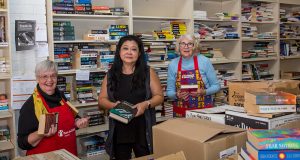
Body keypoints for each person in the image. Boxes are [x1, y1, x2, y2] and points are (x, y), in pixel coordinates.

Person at [98, 35, 164, 160]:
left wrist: (146, 104)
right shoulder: (111, 74)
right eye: (125, 48)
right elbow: (101, 100)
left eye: (134, 49)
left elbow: (159, 96)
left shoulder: (148, 72)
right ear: (119, 52)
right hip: (120, 128)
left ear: (139, 54)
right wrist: (113, 106)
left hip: (143, 128)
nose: (129, 52)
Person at [17, 60, 89, 156]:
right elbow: (22, 143)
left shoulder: (61, 97)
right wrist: (41, 133)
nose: (50, 80)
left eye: (53, 76)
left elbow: (72, 118)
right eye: (44, 76)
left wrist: (77, 122)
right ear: (37, 78)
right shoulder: (30, 106)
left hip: (69, 155)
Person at [166, 34, 220, 117]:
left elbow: (216, 86)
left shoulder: (204, 61)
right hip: (181, 113)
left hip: (204, 112)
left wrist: (204, 92)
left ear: (195, 46)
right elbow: (169, 92)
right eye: (183, 43)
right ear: (178, 46)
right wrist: (176, 95)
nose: (186, 47)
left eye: (190, 44)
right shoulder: (173, 64)